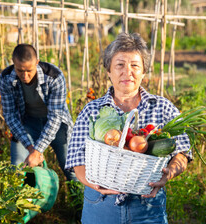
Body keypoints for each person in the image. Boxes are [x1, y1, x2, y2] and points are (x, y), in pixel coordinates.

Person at [65, 33, 192, 223]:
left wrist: (169, 173)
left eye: (134, 65)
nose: (128, 72)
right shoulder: (92, 111)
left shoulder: (163, 107)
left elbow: (182, 152)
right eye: (120, 65)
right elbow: (76, 159)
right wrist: (96, 185)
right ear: (108, 71)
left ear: (143, 71)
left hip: (147, 205)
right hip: (100, 205)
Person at [0, 43, 75, 181]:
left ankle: (81, 201)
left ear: (37, 63)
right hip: (28, 123)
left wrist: (37, 150)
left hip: (56, 126)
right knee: (18, 170)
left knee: (71, 169)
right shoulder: (6, 78)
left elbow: (55, 117)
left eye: (29, 70)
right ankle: (26, 201)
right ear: (13, 64)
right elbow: (10, 115)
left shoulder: (54, 77)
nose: (25, 75)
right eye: (20, 70)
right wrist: (29, 147)